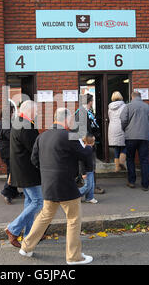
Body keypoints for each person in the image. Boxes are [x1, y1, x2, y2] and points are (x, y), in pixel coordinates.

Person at [19, 108, 94, 265]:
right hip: (66, 185)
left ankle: (26, 247)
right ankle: (74, 257)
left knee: (44, 216)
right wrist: (89, 146)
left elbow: (34, 160)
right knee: (73, 219)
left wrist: (48, 171)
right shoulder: (69, 136)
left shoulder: (42, 136)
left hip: (48, 184)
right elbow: (83, 154)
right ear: (66, 120)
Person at [4, 100, 42, 248]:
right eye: (36, 111)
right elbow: (35, 149)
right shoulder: (26, 125)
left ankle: (29, 235)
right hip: (29, 172)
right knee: (38, 202)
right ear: (29, 111)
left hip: (21, 171)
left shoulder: (19, 122)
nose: (37, 113)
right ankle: (13, 228)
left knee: (30, 202)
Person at [120, 91, 149, 191]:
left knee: (130, 159)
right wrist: (148, 129)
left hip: (130, 136)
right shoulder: (148, 107)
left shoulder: (128, 106)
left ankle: (131, 181)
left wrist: (125, 129)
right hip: (144, 137)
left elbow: (123, 120)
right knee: (144, 160)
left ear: (132, 97)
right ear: (140, 97)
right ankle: (145, 184)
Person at [75, 93, 105, 195]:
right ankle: (91, 187)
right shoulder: (82, 113)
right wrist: (89, 140)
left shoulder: (85, 112)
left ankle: (88, 185)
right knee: (89, 164)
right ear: (90, 102)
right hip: (86, 143)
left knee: (88, 164)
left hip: (87, 141)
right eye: (92, 101)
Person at [0, 104, 22, 204]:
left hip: (7, 151)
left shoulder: (5, 122)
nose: (13, 114)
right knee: (12, 172)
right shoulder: (5, 123)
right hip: (8, 152)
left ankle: (13, 192)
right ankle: (6, 192)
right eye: (12, 112)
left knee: (11, 171)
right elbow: (11, 136)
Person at [108, 91, 127, 172]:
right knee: (125, 145)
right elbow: (125, 118)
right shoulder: (124, 106)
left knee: (116, 147)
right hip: (122, 127)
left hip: (112, 128)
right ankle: (122, 162)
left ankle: (117, 167)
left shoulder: (110, 107)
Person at [78, 133, 98, 204]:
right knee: (88, 185)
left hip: (90, 170)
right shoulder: (86, 149)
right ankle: (76, 194)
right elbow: (81, 162)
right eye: (94, 140)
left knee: (92, 185)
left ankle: (90, 197)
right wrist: (83, 173)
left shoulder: (90, 148)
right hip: (86, 171)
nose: (95, 142)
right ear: (91, 141)